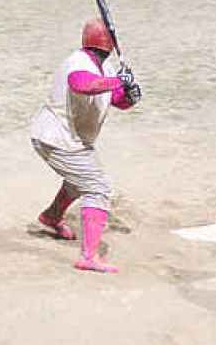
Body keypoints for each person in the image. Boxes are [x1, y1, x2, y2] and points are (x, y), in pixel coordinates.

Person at [30, 18, 141, 273]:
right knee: (98, 189)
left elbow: (116, 100)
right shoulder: (77, 62)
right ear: (109, 43)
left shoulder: (107, 67)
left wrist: (129, 95)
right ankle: (88, 256)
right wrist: (117, 82)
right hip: (56, 138)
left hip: (70, 139)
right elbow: (81, 84)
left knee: (78, 180)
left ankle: (51, 217)